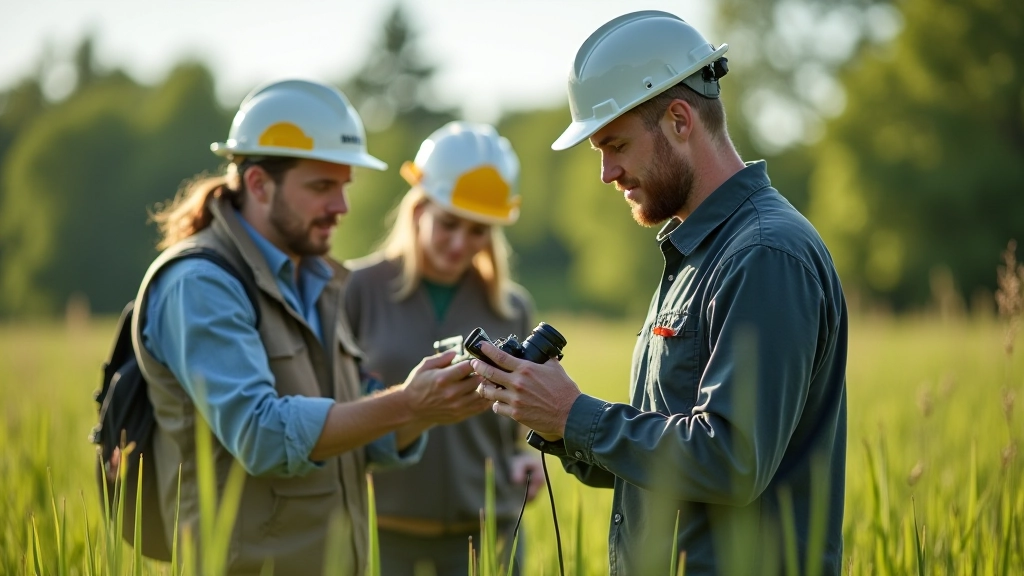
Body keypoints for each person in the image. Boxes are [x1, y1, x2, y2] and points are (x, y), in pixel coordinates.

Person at [474, 11, 848, 576]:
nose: (606, 172)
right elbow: (663, 458)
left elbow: (731, 460)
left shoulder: (764, 255)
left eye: (616, 144)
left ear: (679, 119)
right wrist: (558, 421)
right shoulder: (699, 253)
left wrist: (575, 413)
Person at [132, 79, 490, 575]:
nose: (341, 206)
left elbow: (356, 420)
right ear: (258, 183)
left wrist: (429, 406)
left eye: (344, 186)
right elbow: (261, 436)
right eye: (322, 187)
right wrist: (406, 402)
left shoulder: (315, 276)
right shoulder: (199, 284)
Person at [344, 121, 545, 575]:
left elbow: (515, 427)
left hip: (488, 540)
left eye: (478, 231)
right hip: (379, 536)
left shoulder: (512, 308)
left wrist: (524, 460)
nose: (460, 244)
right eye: (449, 223)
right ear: (418, 209)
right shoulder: (355, 289)